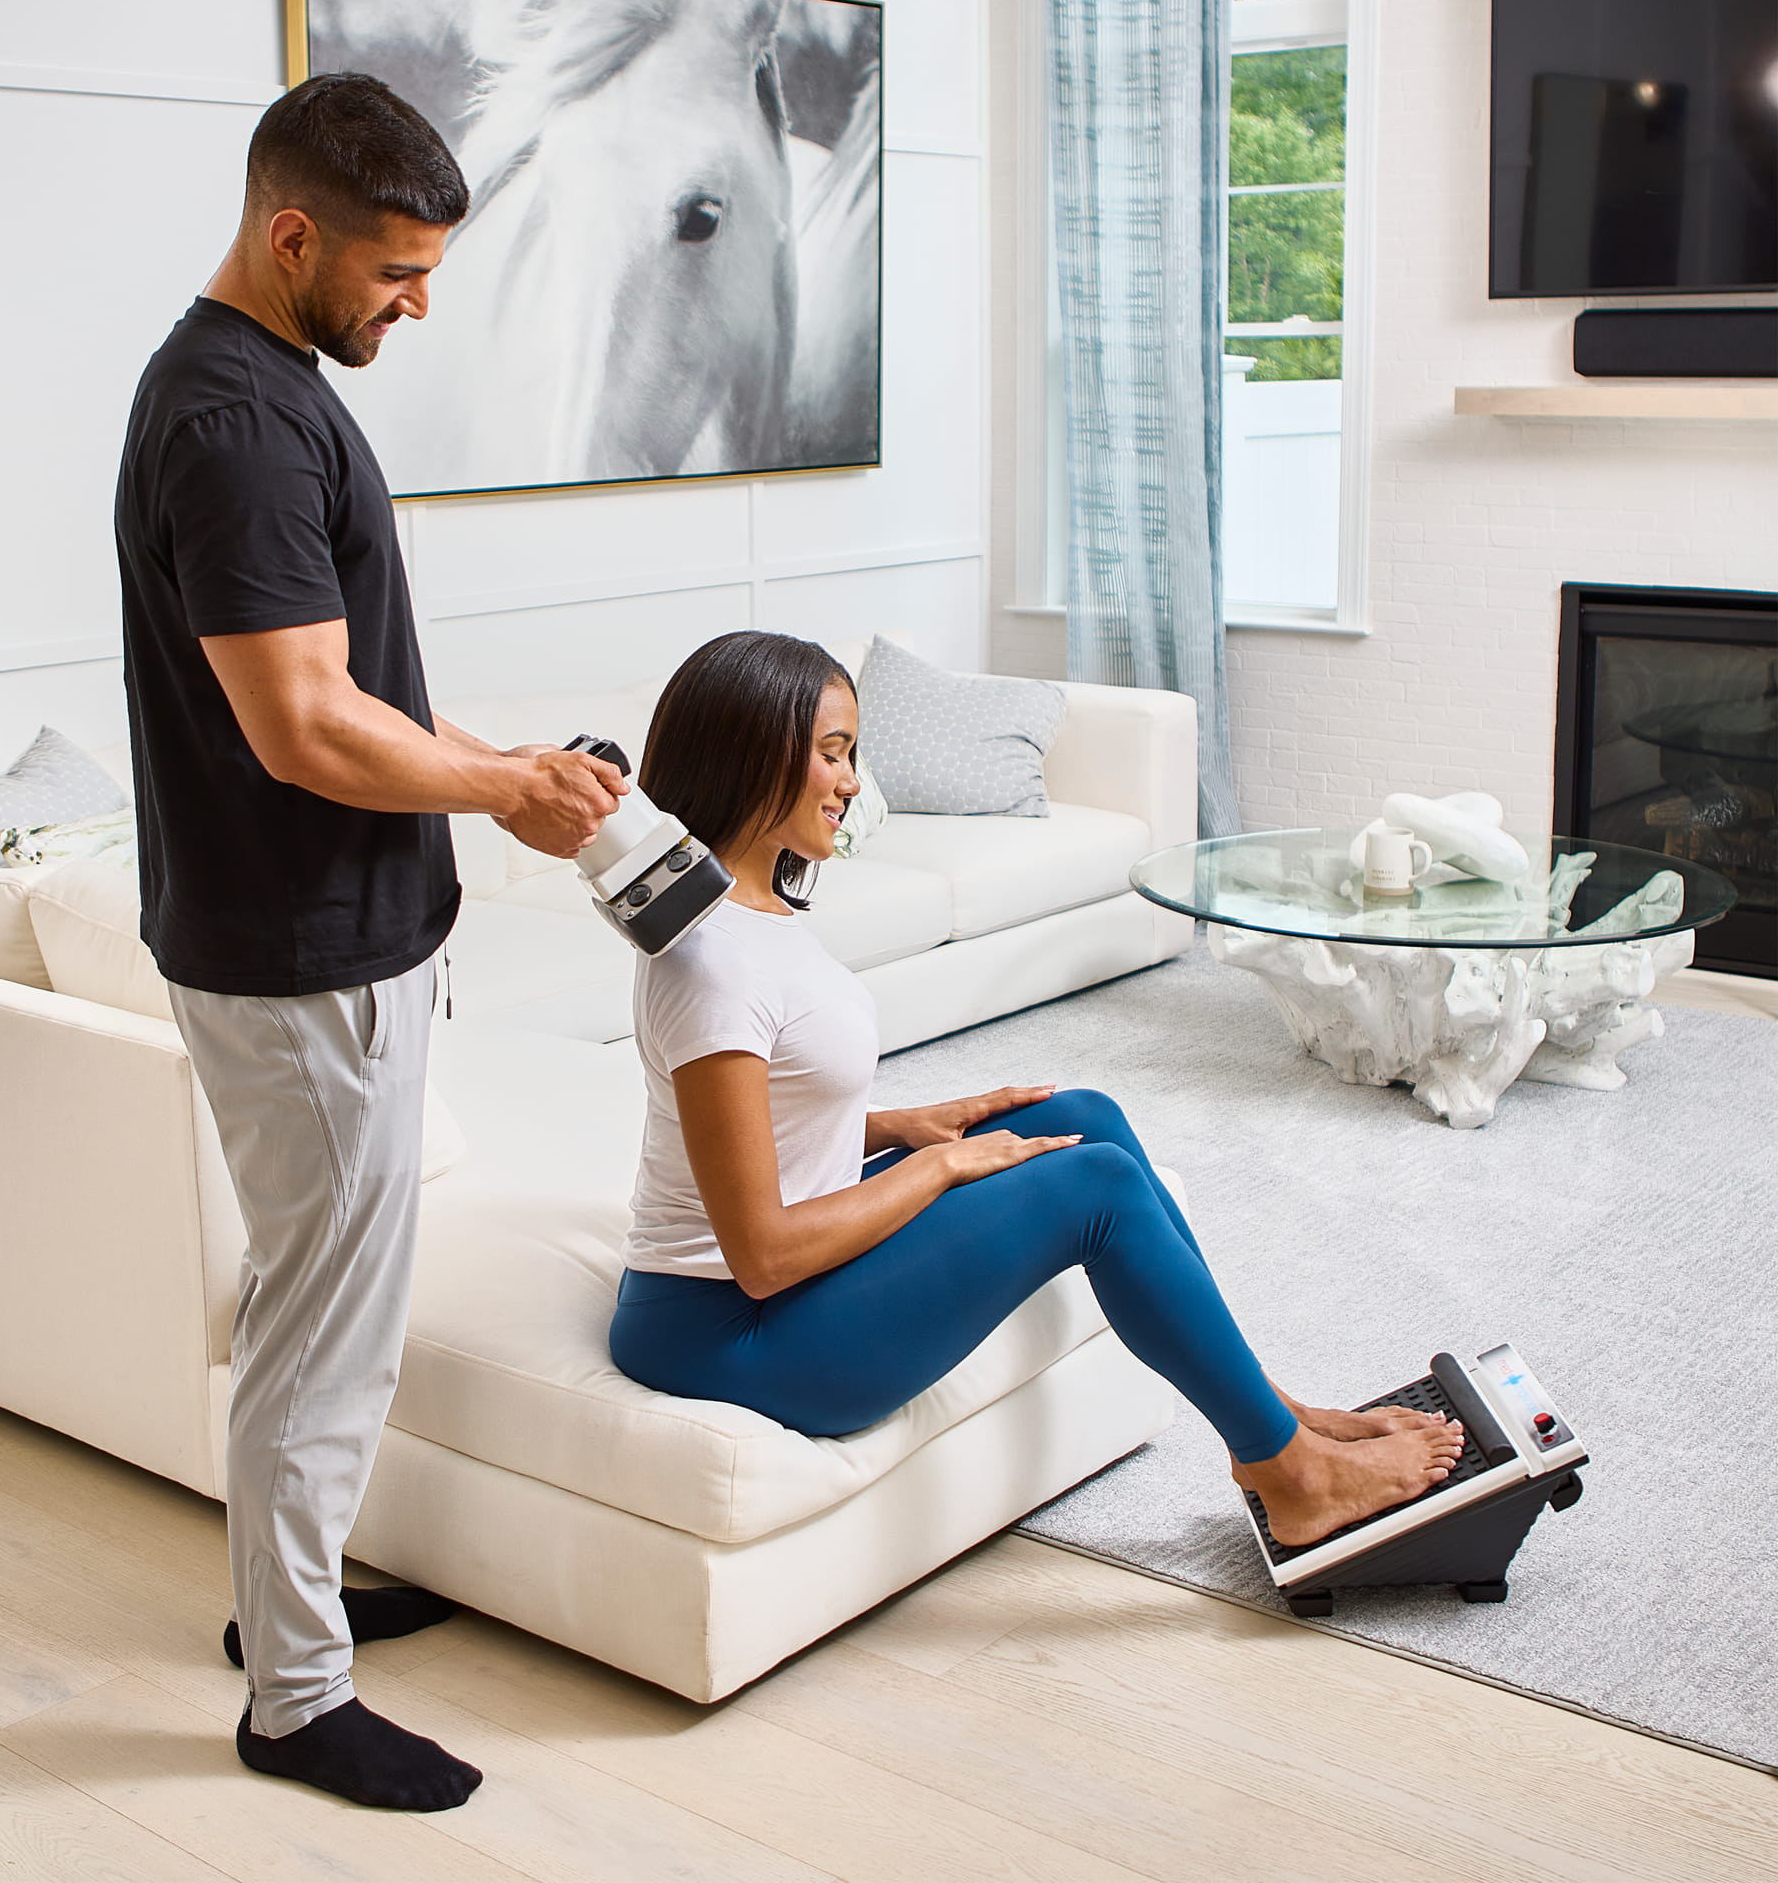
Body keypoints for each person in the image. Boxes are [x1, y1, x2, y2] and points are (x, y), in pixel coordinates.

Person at [115, 71, 625, 1812]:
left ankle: (288, 1612)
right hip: (300, 953)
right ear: (290, 234)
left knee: (311, 1305)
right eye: (397, 273)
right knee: (324, 1338)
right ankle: (295, 1699)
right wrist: (500, 790)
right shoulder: (241, 425)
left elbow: (353, 696)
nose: (417, 305)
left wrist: (494, 768)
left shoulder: (253, 388)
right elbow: (308, 732)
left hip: (317, 932)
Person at [609, 631, 1464, 1546]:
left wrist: (909, 1125)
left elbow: (761, 1116)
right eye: (831, 754)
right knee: (1092, 1187)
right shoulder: (709, 963)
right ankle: (1289, 1473)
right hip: (727, 1333)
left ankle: (1271, 1408)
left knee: (1078, 1117)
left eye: (851, 752)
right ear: (747, 753)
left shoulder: (751, 914)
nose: (853, 780)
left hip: (774, 1290)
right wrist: (939, 1170)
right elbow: (764, 1254)